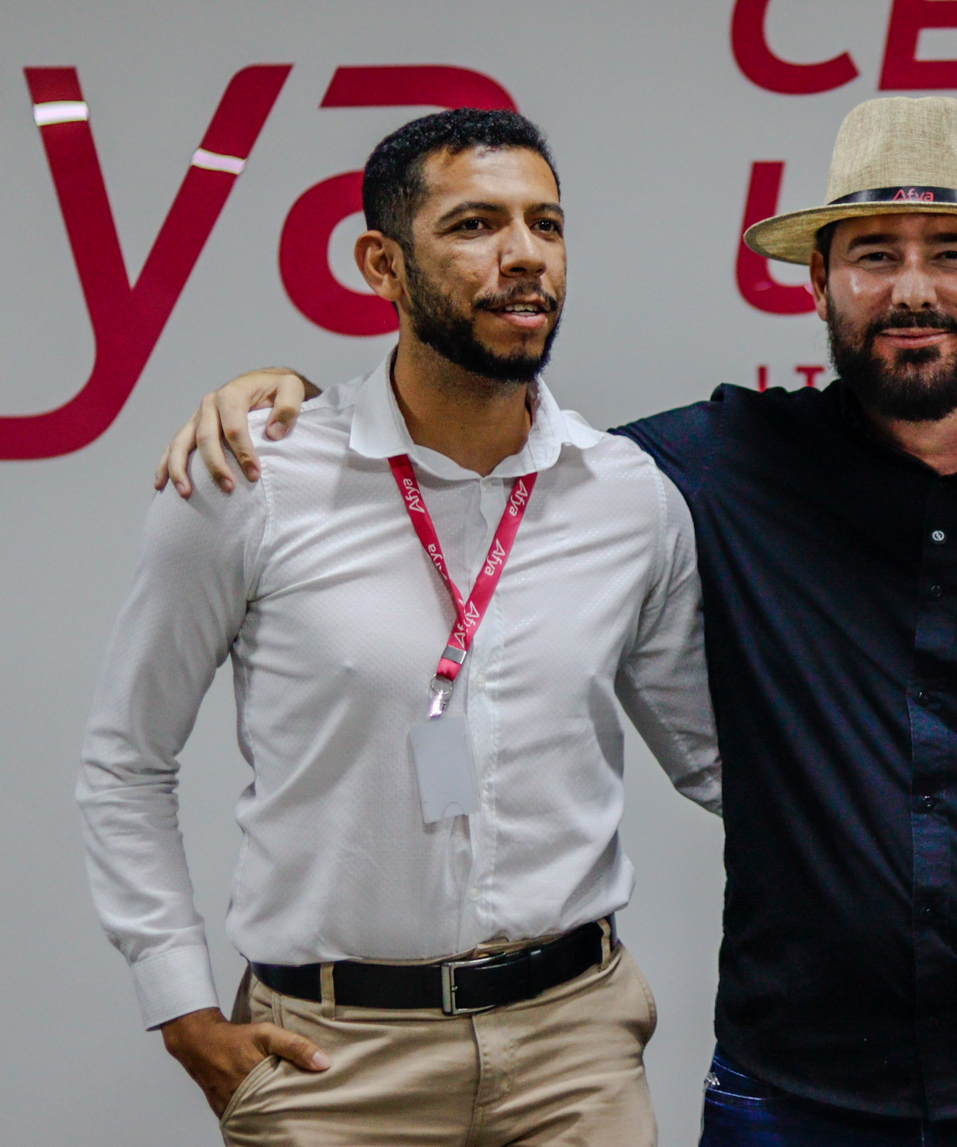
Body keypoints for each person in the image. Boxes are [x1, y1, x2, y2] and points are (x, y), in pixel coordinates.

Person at [158, 95, 957, 1146]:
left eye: (951, 253)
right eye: (872, 255)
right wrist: (307, 411)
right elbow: (484, 435)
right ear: (818, 281)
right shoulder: (719, 463)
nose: (912, 289)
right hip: (789, 1102)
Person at [82, 109, 720, 1146]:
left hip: (573, 1051)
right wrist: (182, 1008)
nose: (523, 255)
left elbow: (718, 758)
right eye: (475, 224)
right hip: (334, 1063)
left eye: (546, 224)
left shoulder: (627, 495)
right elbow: (126, 757)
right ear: (381, 264)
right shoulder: (256, 478)